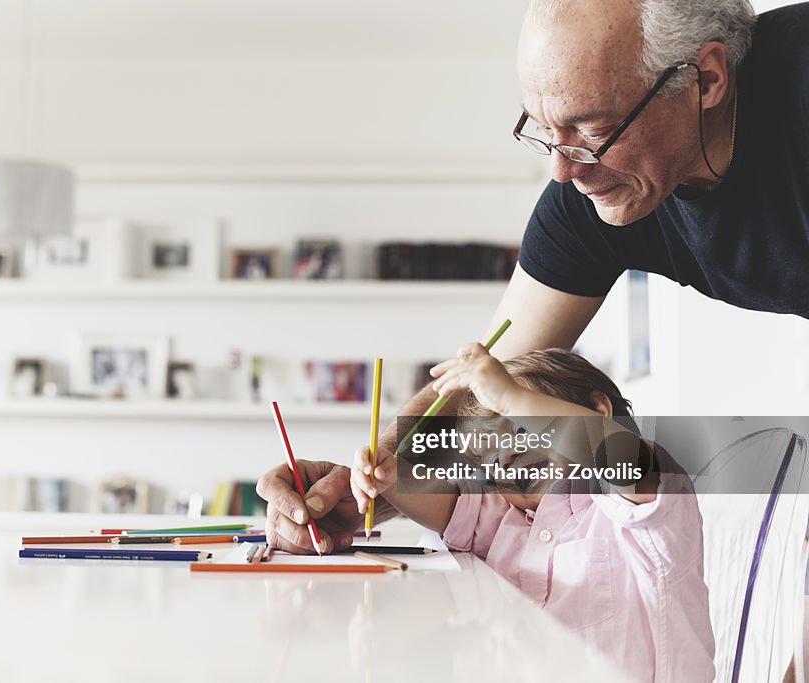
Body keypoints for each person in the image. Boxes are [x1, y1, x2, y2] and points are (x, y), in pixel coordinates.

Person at [257, 0, 809, 553]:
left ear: (704, 80)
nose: (564, 170)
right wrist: (368, 486)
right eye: (544, 130)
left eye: (593, 129)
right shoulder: (586, 201)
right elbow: (474, 388)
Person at [350, 347, 713, 683]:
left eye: (521, 429)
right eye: (489, 461)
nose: (504, 459)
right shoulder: (510, 524)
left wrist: (511, 398)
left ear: (599, 414)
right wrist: (390, 476)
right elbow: (449, 507)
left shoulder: (636, 506)